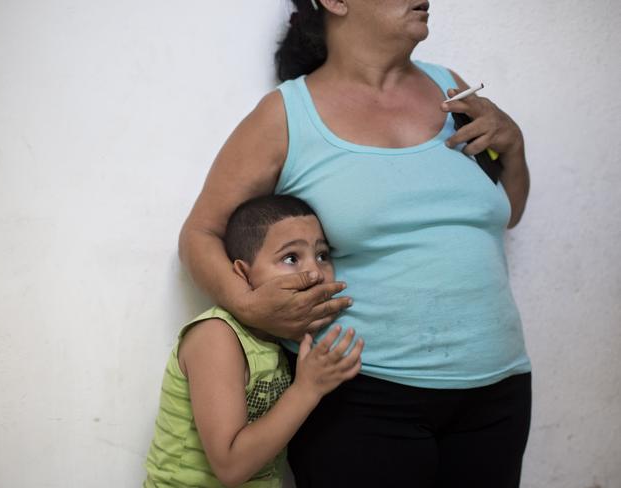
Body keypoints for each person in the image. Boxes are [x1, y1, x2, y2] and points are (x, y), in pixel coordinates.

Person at [179, 1, 532, 486]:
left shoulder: (452, 88)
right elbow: (200, 233)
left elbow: (506, 212)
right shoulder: (287, 114)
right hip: (360, 397)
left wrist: (514, 147)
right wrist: (251, 305)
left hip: (498, 390)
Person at [144, 195, 363, 488]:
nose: (314, 273)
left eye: (322, 255)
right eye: (291, 258)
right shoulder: (217, 335)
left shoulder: (280, 341)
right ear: (244, 274)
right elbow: (230, 467)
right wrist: (308, 388)